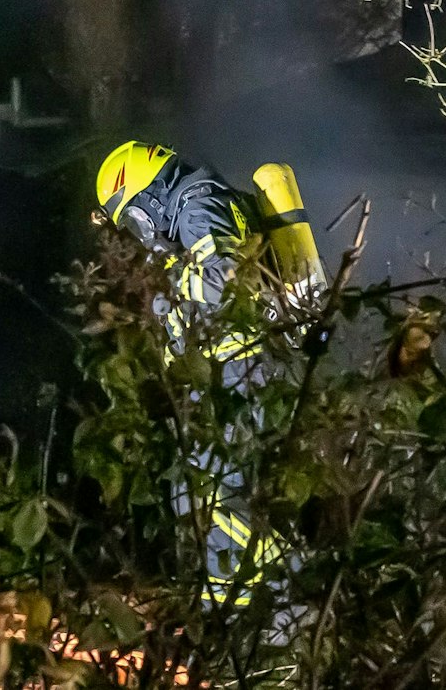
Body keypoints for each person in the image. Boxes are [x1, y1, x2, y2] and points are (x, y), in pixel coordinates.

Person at [93, 142, 275, 611]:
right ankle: (230, 611)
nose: (140, 234)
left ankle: (272, 590)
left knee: (219, 498)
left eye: (133, 220)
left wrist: (171, 282)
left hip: (235, 374)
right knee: (199, 496)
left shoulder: (199, 207)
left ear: (147, 197)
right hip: (223, 378)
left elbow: (225, 281)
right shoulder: (199, 207)